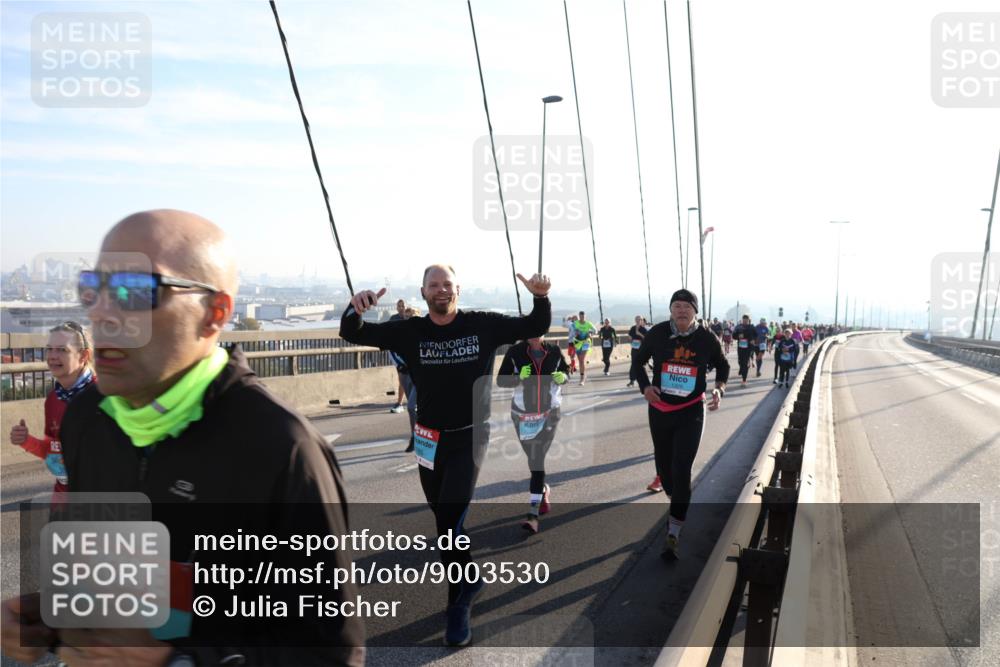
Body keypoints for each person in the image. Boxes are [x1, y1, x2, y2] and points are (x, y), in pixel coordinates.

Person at [0, 210, 365, 667]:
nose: (102, 313)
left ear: (214, 315)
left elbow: (332, 652)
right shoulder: (87, 419)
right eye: (94, 289)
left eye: (136, 292)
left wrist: (179, 660)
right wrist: (49, 619)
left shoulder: (282, 448)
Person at [339, 264, 551, 647]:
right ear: (423, 293)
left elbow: (534, 323)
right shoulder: (409, 331)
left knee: (450, 525)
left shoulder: (482, 324)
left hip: (469, 437)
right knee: (442, 518)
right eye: (433, 285)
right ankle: (469, 579)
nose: (441, 290)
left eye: (447, 284)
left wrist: (540, 295)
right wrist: (356, 308)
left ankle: (458, 603)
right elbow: (352, 332)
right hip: (427, 439)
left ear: (459, 290)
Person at [632, 289, 729, 560]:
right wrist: (645, 387)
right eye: (677, 305)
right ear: (671, 310)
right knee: (665, 470)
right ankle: (678, 501)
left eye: (687, 306)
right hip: (660, 410)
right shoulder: (658, 333)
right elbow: (638, 363)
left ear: (695, 311)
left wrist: (719, 389)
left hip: (691, 411)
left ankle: (673, 532)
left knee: (682, 467)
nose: (682, 310)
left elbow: (723, 366)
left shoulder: (707, 338)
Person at [8, 321, 95, 499]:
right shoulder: (53, 399)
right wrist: (25, 441)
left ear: (83, 356)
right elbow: (52, 454)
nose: (52, 356)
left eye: (62, 350)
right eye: (50, 349)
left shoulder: (106, 396)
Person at [496, 336, 569, 534]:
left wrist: (564, 377)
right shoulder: (515, 352)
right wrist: (518, 377)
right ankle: (542, 490)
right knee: (533, 461)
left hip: (549, 414)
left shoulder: (554, 351)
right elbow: (501, 380)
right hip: (522, 416)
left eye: (539, 331)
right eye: (531, 331)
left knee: (537, 461)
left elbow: (566, 370)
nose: (535, 335)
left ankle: (533, 514)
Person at [391, 306, 419, 452]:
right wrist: (400, 365)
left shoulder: (424, 333)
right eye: (407, 317)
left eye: (413, 316)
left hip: (420, 377)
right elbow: (392, 350)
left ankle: (417, 438)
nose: (409, 319)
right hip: (405, 375)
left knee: (411, 406)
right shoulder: (400, 334)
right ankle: (416, 436)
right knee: (413, 409)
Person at [389, 299, 408, 413]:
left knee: (414, 379)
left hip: (411, 353)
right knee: (402, 378)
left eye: (403, 306)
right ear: (396, 308)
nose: (401, 308)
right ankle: (399, 403)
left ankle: (414, 402)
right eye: (399, 306)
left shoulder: (410, 317)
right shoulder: (393, 319)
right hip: (399, 354)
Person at [571, 311, 596, 385]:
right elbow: (571, 329)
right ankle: (583, 375)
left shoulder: (588, 323)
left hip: (586, 342)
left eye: (583, 316)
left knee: (582, 359)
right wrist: (575, 332)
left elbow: (596, 330)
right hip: (578, 342)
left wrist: (590, 333)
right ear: (579, 316)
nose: (582, 318)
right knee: (580, 361)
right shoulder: (575, 323)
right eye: (581, 316)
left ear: (585, 316)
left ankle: (582, 379)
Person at [732, 314, 758, 386]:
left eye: (746, 320)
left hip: (749, 347)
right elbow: (733, 336)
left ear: (749, 320)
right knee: (740, 361)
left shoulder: (752, 327)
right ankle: (742, 368)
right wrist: (738, 336)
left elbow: (756, 335)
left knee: (745, 362)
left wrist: (753, 340)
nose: (745, 321)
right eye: (744, 320)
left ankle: (744, 380)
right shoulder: (738, 327)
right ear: (742, 320)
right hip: (740, 347)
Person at [627, 315, 648, 389]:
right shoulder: (632, 328)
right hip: (634, 348)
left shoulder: (643, 329)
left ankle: (645, 381)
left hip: (642, 349)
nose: (638, 320)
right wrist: (630, 339)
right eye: (637, 319)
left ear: (642, 320)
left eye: (640, 319)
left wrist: (639, 334)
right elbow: (629, 337)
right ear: (635, 320)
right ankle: (632, 380)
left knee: (641, 364)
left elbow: (647, 338)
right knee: (633, 363)